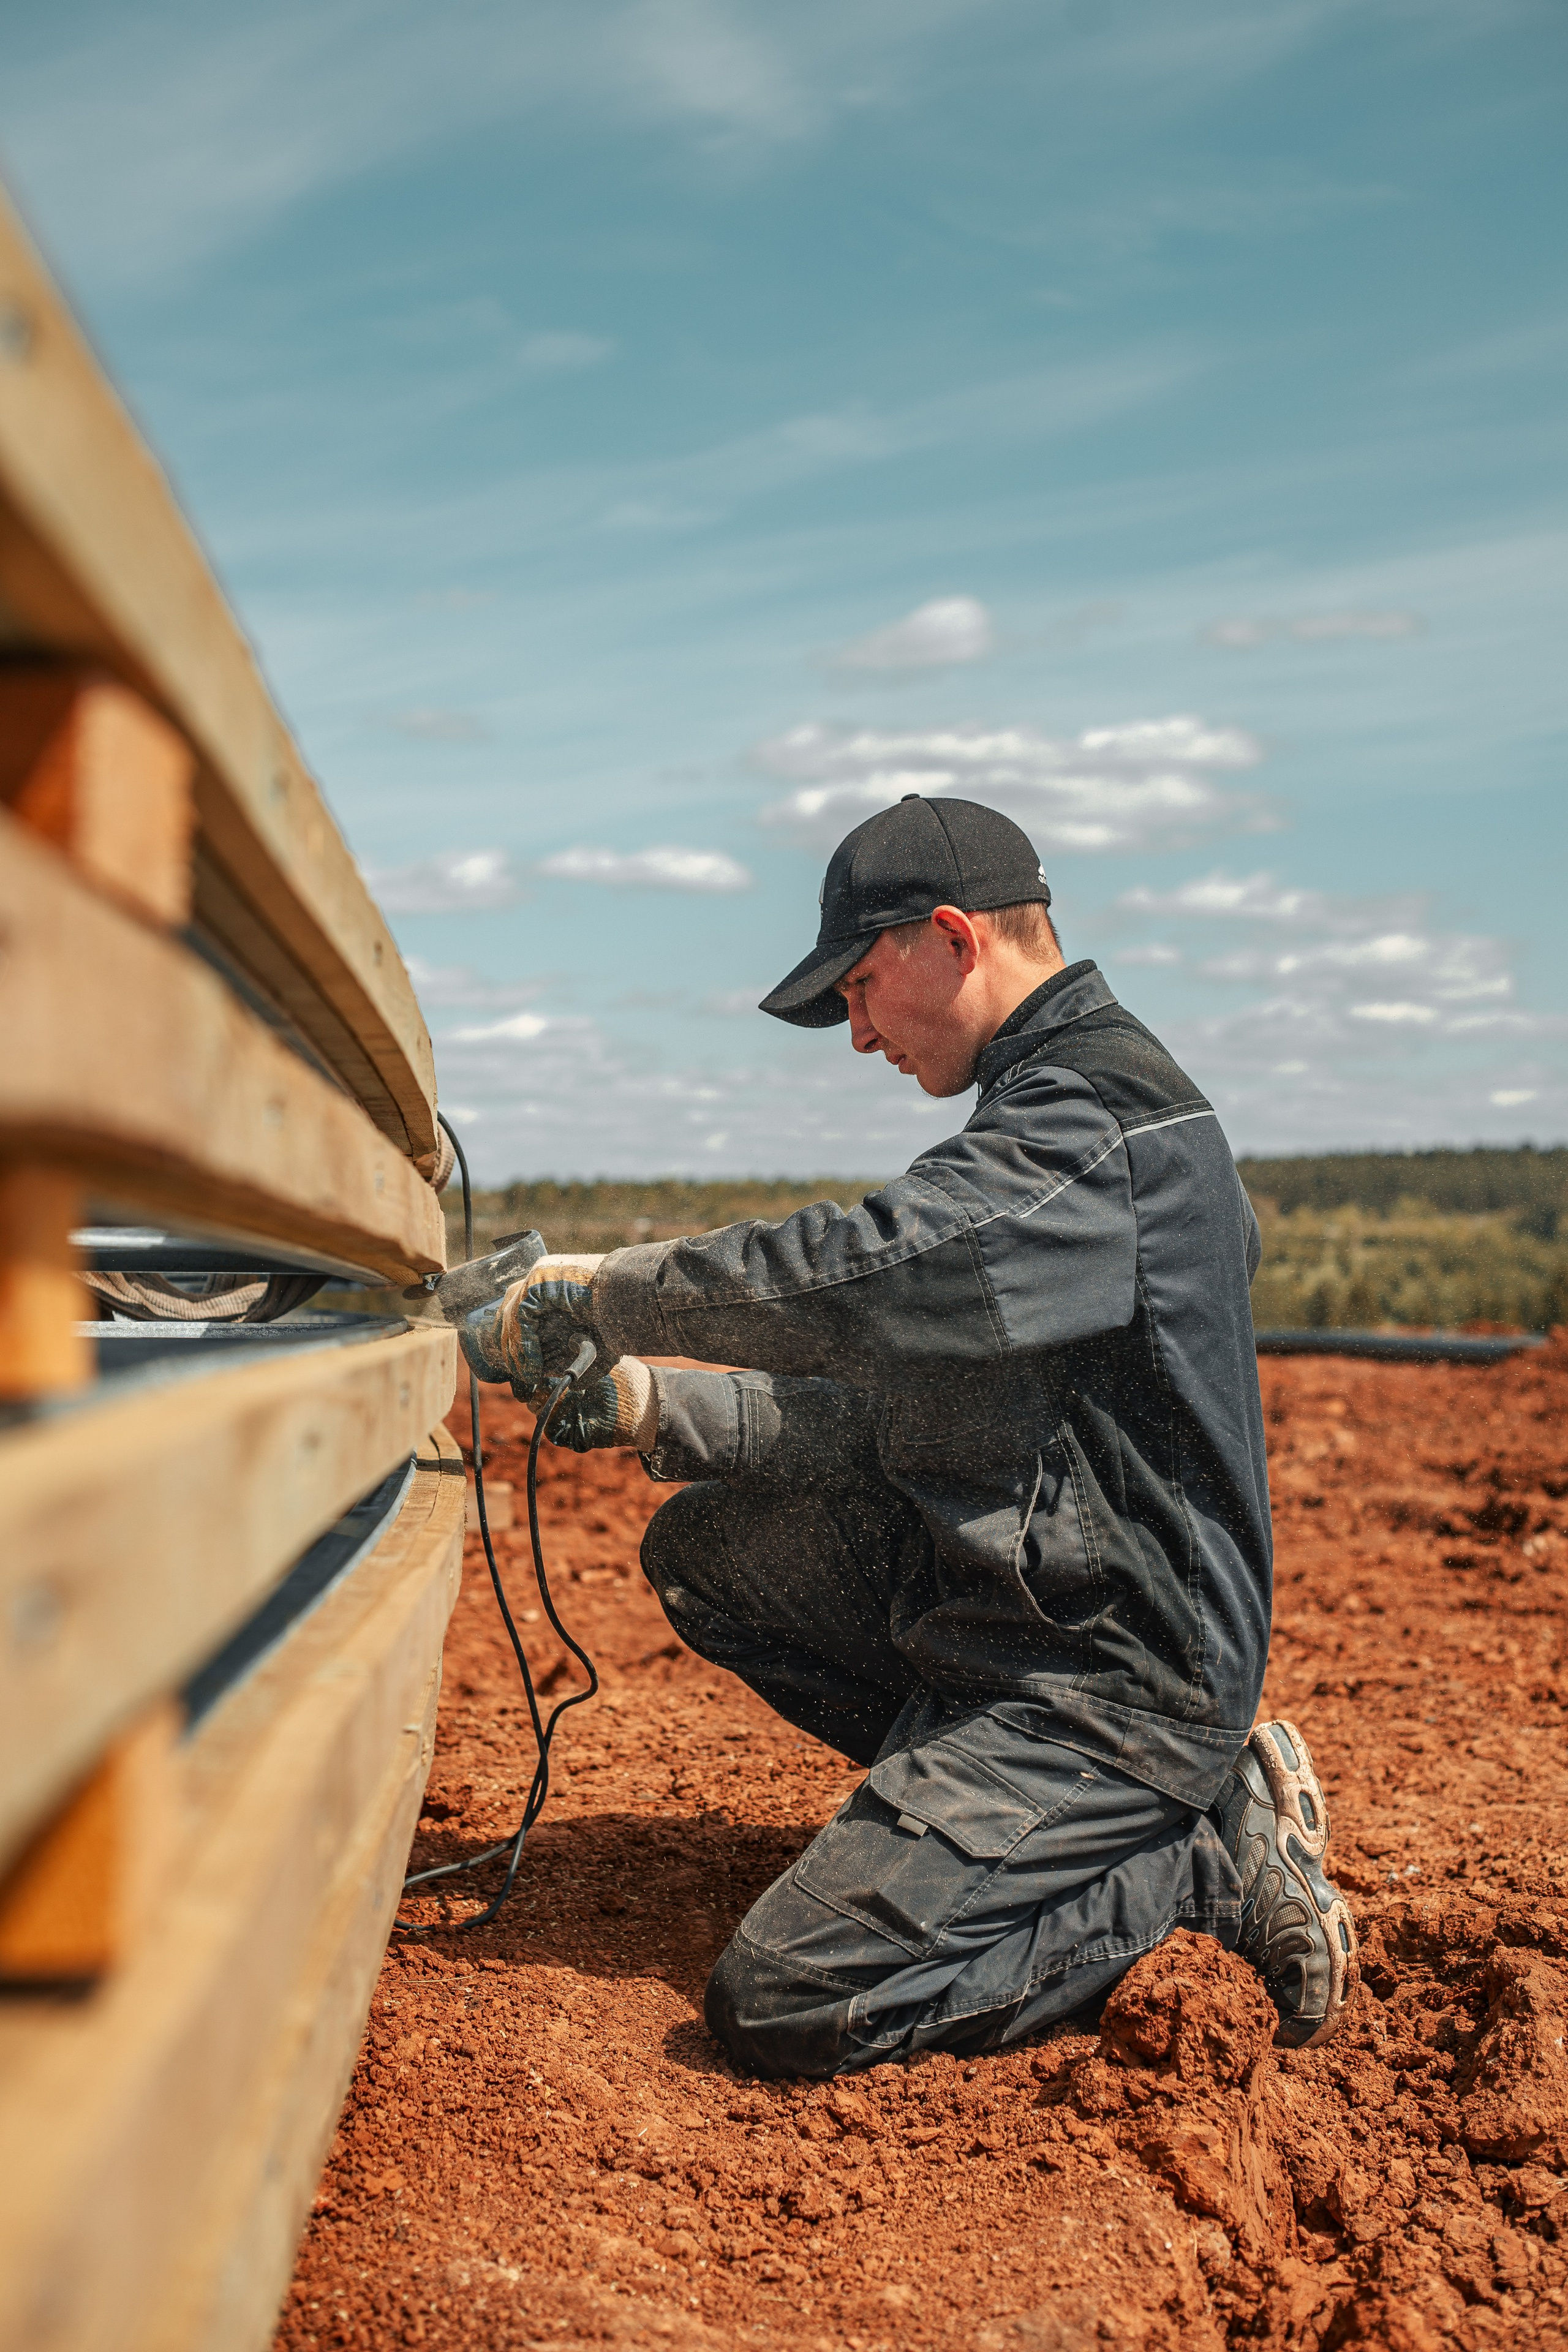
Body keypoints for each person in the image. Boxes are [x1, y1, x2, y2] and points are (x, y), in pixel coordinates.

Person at [464, 794, 1356, 2077]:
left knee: (786, 2000)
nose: (857, 1033)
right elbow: (908, 1414)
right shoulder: (1055, 1121)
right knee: (714, 1550)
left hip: (1107, 1678)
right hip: (1016, 1617)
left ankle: (1201, 1878)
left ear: (951, 937)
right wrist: (658, 1404)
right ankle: (1024, 1834)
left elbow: (874, 1271)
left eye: (863, 989)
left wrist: (610, 1289)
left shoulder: (1094, 1130)